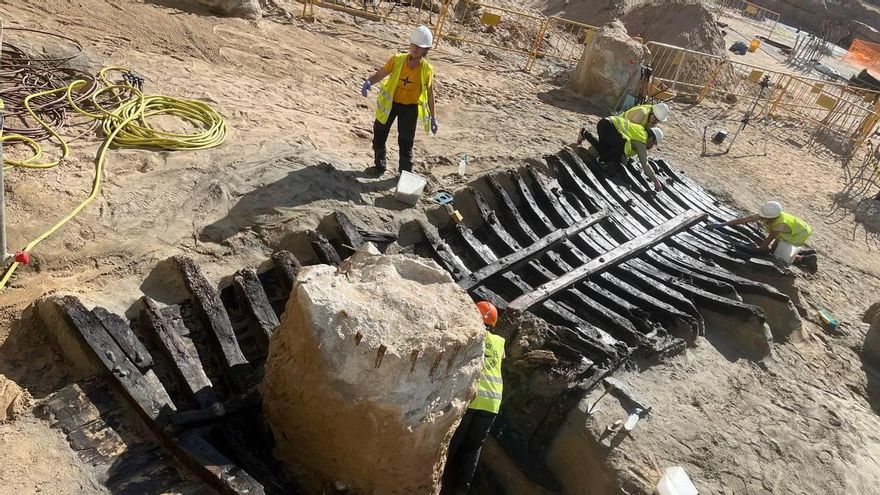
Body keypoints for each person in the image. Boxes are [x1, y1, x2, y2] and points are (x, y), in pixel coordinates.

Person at [443, 301, 505, 495]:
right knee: (472, 448)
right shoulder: (500, 342)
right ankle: (462, 489)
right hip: (492, 402)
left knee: (453, 440)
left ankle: (439, 482)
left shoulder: (471, 335)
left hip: (472, 397)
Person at [361, 25, 438, 175]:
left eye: (419, 47)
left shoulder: (426, 69)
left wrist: (433, 118)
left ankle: (405, 174)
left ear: (425, 50)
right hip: (391, 105)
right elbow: (381, 73)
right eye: (413, 45)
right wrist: (369, 82)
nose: (415, 49)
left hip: (410, 109)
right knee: (379, 134)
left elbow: (430, 94)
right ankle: (379, 165)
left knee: (406, 142)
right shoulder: (397, 60)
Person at [710, 200, 817, 272]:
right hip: (795, 228)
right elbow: (744, 220)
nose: (761, 218)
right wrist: (723, 224)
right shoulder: (767, 215)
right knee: (777, 247)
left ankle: (804, 259)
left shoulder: (779, 224)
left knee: (779, 254)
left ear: (771, 217)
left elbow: (770, 239)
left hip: (798, 233)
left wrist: (761, 249)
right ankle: (803, 251)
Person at [578, 116, 665, 191]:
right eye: (653, 144)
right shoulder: (641, 140)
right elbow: (645, 164)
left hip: (604, 124)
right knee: (617, 150)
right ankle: (601, 160)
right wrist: (656, 182)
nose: (652, 146)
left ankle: (585, 133)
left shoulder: (640, 132)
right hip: (609, 127)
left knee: (604, 149)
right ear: (651, 139)